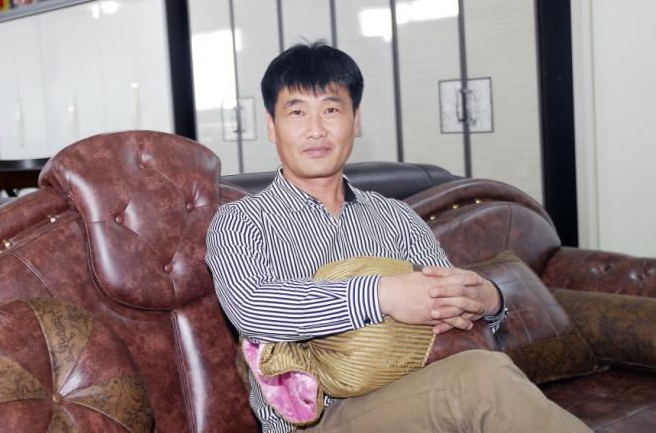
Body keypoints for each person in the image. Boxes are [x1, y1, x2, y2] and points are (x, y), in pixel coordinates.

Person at [206, 42, 590, 433]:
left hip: (415, 392)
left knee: (481, 375)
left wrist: (488, 300)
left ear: (355, 120)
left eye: (331, 110)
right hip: (317, 418)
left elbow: (449, 310)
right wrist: (382, 295)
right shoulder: (240, 221)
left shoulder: (395, 216)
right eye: (297, 112)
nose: (316, 129)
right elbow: (254, 308)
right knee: (479, 381)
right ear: (272, 126)